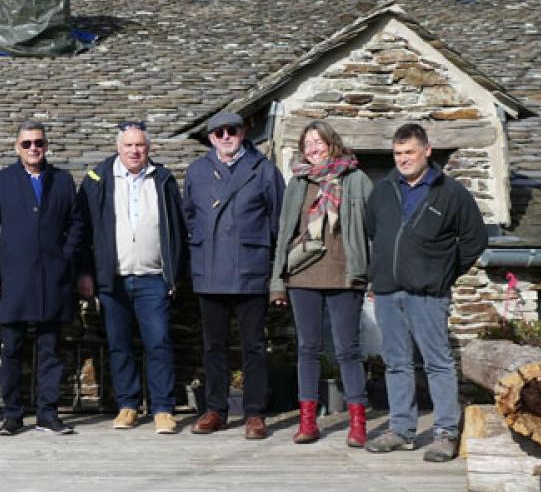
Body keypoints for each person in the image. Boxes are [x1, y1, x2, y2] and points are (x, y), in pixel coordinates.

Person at [363, 122, 488, 462]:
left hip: (429, 294)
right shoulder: (383, 190)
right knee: (396, 363)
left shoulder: (451, 193)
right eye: (397, 153)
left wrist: (444, 272)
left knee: (438, 363)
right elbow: (374, 232)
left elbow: (475, 239)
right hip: (389, 292)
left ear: (427, 151)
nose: (403, 159)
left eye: (409, 152)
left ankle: (445, 432)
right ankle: (402, 430)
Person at [77, 121, 185, 434]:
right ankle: (128, 406)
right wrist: (85, 272)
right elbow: (82, 230)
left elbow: (177, 227)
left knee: (160, 342)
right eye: (128, 146)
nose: (135, 151)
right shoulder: (98, 179)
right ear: (118, 148)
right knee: (119, 344)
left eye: (140, 145)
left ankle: (163, 408)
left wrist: (174, 273)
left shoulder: (162, 179)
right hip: (114, 277)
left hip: (154, 277)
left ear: (147, 148)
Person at [0, 119, 85, 436]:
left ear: (46, 146)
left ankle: (47, 413)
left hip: (54, 279)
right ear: (17, 147)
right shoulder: (1, 181)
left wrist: (65, 258)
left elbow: (77, 225)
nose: (33, 149)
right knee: (11, 349)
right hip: (13, 279)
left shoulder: (63, 181)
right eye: (26, 144)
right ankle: (12, 414)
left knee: (51, 349)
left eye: (38, 143)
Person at [270, 120, 373, 447]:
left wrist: (372, 273)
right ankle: (308, 421)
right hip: (303, 275)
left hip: (345, 275)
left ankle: (358, 423)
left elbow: (374, 230)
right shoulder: (298, 183)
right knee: (308, 348)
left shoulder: (356, 179)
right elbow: (284, 233)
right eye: (307, 144)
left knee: (348, 350)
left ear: (332, 144)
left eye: (318, 142)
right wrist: (277, 281)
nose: (312, 149)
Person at [182, 110, 284, 438]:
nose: (225, 137)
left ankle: (255, 413)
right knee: (213, 345)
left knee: (254, 345)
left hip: (250, 268)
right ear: (209, 138)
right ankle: (215, 409)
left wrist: (271, 267)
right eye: (218, 132)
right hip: (210, 269)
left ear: (243, 133)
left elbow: (277, 223)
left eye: (232, 131)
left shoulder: (264, 170)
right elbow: (189, 218)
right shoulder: (197, 171)